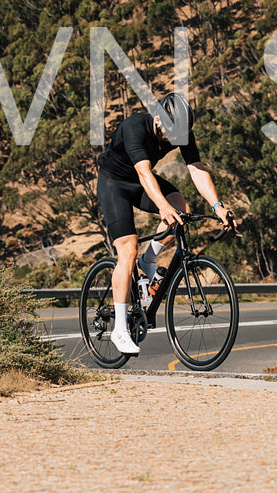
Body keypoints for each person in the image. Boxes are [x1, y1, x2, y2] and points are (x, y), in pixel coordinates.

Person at [96, 92, 235, 355]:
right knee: (128, 250)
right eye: (171, 133)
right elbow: (144, 172)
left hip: (139, 183)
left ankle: (148, 260)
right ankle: (120, 329)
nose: (175, 139)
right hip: (114, 183)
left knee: (182, 208)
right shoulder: (135, 127)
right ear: (158, 118)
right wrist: (162, 207)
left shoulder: (181, 130)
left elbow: (196, 167)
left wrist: (218, 207)